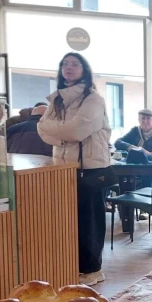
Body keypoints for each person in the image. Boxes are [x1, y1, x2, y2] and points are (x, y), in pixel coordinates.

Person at [38, 52, 111, 286]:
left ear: (84, 70)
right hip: (63, 168)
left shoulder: (93, 99)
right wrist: (64, 135)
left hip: (90, 169)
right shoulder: (56, 100)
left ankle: (91, 270)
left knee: (89, 221)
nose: (68, 67)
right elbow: (41, 129)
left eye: (75, 64)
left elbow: (78, 131)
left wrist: (59, 132)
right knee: (67, 221)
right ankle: (70, 267)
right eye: (65, 64)